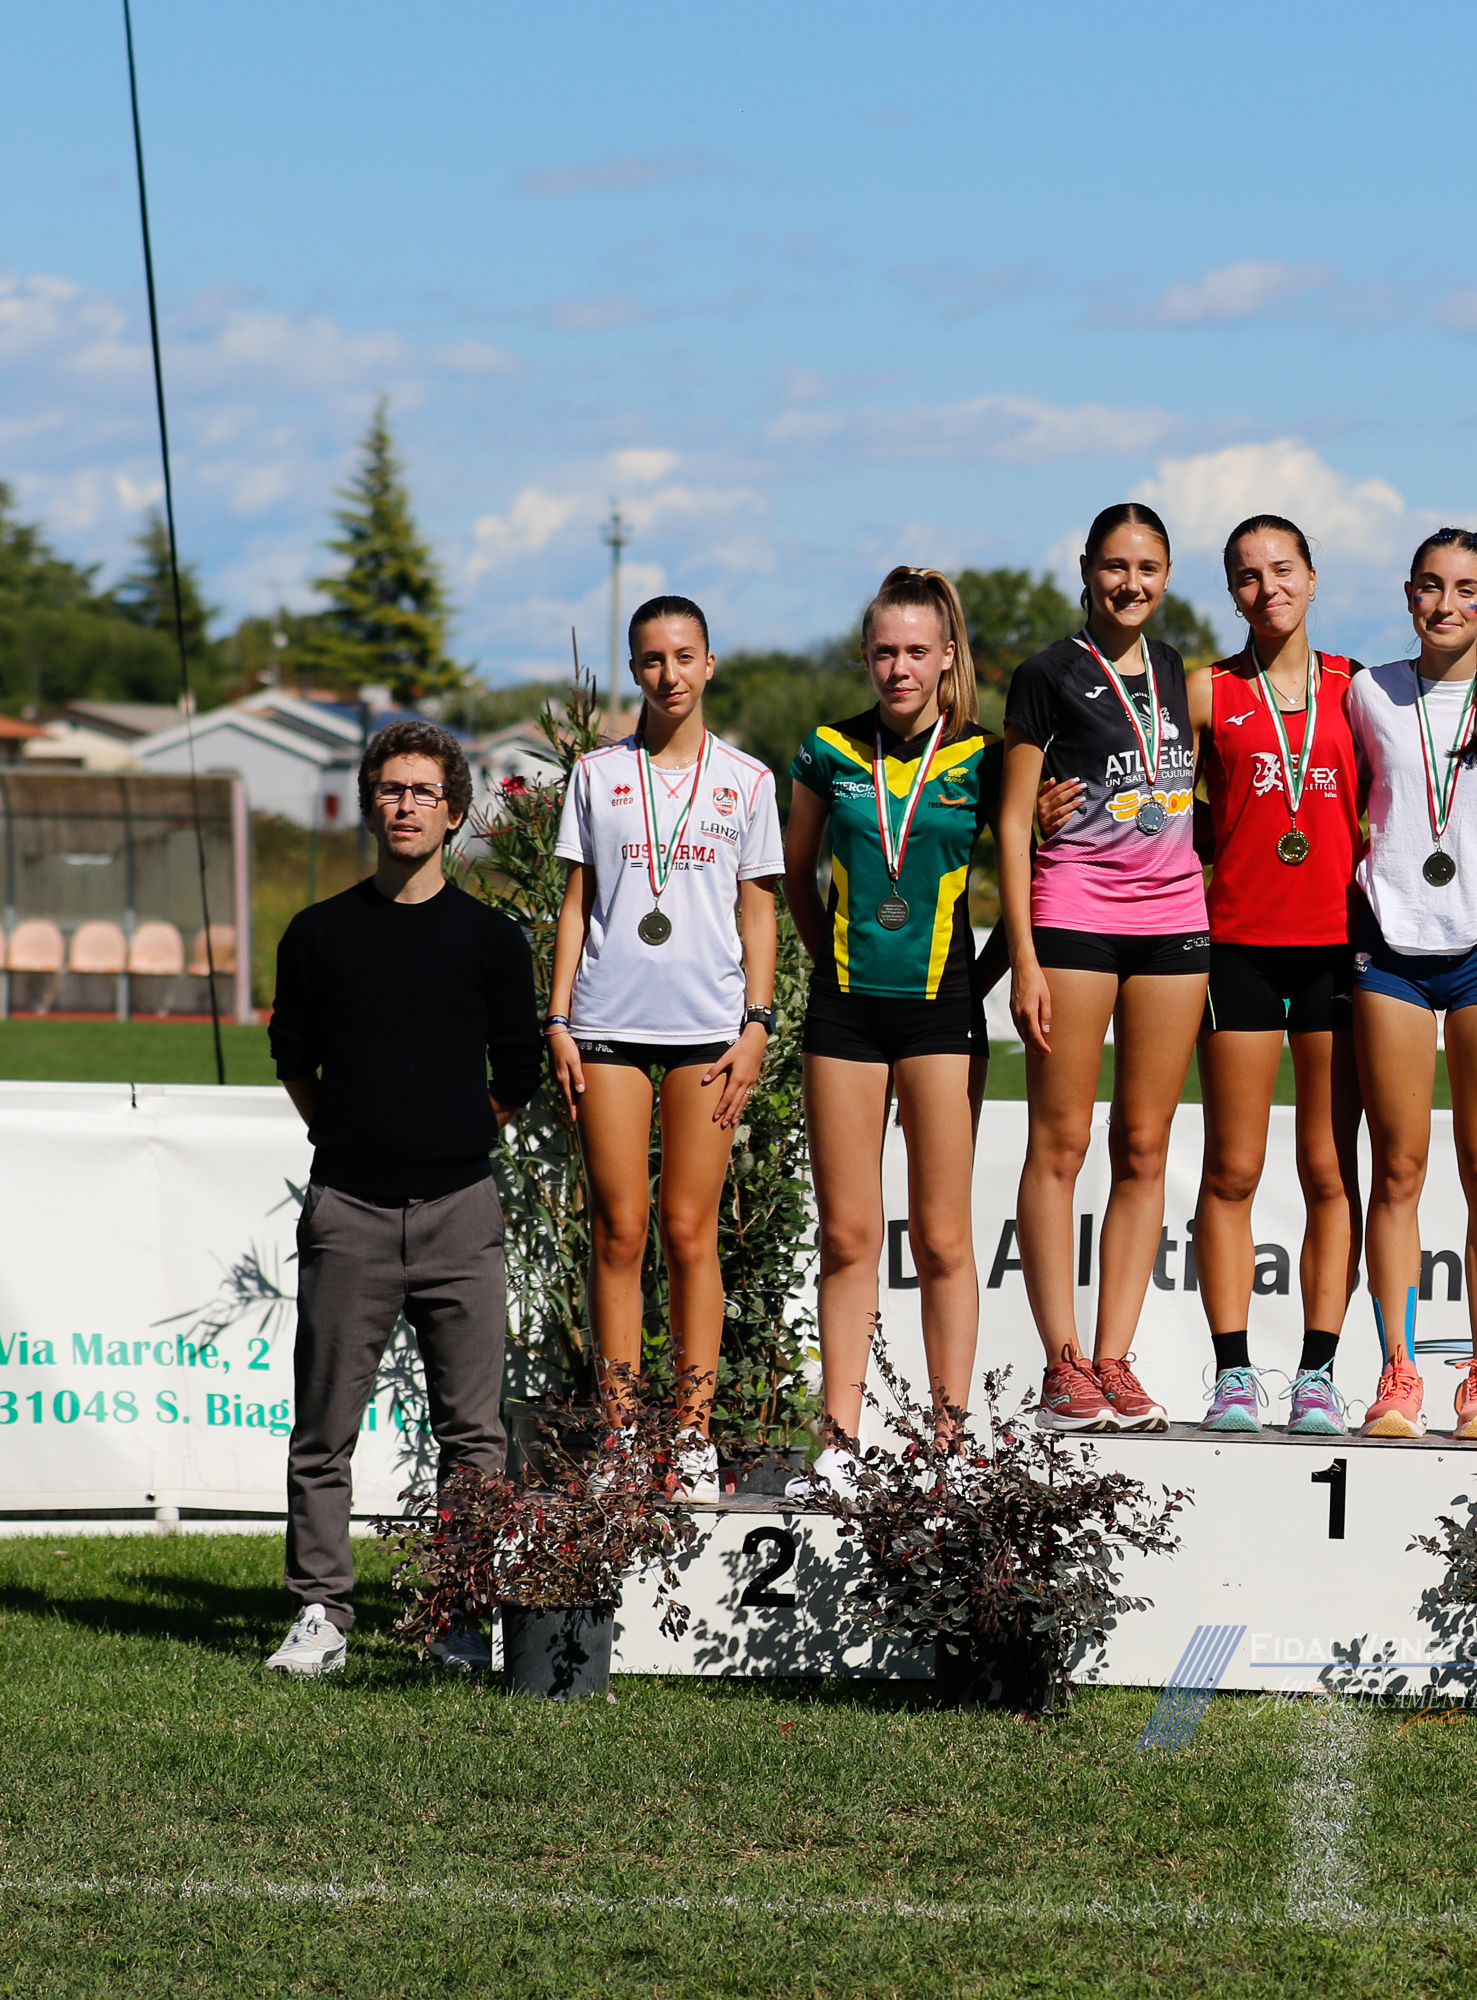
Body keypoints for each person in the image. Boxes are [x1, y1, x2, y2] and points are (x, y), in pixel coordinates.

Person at [265, 719, 540, 1676]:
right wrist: (353, 1136)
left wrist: (451, 1134)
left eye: (425, 791)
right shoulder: (318, 934)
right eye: (391, 789)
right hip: (349, 1210)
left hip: (462, 1211)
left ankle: (458, 1617)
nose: (407, 805)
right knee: (322, 1432)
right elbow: (293, 1060)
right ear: (369, 805)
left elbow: (518, 1072)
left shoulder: (492, 939)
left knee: (474, 1437)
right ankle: (320, 1614)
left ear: (455, 812)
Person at [547, 595, 784, 1500]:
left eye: (684, 656)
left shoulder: (748, 781)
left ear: (709, 664)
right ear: (634, 669)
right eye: (652, 659)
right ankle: (619, 1437)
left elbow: (758, 912)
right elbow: (575, 907)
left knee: (690, 1231)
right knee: (620, 1231)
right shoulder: (596, 774)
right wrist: (558, 1021)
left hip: (708, 1033)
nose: (669, 674)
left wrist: (757, 1023)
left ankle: (689, 1436)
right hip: (607, 1025)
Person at [780, 568, 1007, 1495]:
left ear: (948, 655)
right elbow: (796, 875)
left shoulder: (988, 756)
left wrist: (983, 981)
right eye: (884, 651)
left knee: (945, 1239)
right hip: (844, 1013)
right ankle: (837, 1444)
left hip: (943, 1012)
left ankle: (948, 1445)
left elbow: (1031, 880)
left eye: (917, 651)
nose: (899, 668)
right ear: (865, 655)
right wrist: (829, 964)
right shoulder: (828, 749)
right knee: (847, 1235)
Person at [1000, 503, 1210, 1432]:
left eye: (1149, 568)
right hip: (1076, 916)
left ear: (1167, 575)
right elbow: (1015, 819)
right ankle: (1062, 1362)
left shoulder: (1177, 672)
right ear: (1086, 569)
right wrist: (1024, 956)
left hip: (1175, 924)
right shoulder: (1046, 674)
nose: (1132, 584)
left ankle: (1115, 1358)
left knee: (1145, 1145)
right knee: (1062, 1144)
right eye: (1116, 567)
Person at [1346, 528, 1477, 1441]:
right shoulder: (1368, 692)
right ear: (1408, 593)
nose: (1447, 605)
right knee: (1398, 1167)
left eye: (1468, 590)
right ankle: (1397, 1373)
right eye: (1430, 586)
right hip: (1390, 946)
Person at [1187, 515, 1366, 1435]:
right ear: (1232, 593)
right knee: (1233, 1167)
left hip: (1337, 946)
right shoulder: (1207, 691)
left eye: (1284, 569)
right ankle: (1232, 1375)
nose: (1269, 589)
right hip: (1240, 946)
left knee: (1328, 1168)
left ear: (1312, 577)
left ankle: (1319, 1376)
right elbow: (1148, 795)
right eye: (1249, 576)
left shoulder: (1361, 688)